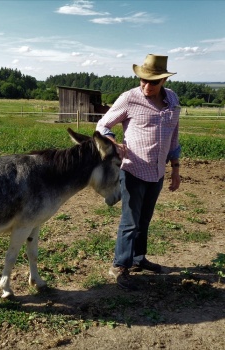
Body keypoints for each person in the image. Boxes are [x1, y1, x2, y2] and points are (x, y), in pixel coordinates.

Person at [96, 54, 181, 290]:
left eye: (153, 82)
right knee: (130, 221)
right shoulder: (129, 98)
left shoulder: (172, 100)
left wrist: (175, 168)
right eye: (143, 80)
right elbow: (103, 124)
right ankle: (119, 265)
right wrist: (112, 141)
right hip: (133, 169)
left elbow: (174, 137)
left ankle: (137, 258)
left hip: (158, 172)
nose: (146, 86)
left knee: (145, 219)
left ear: (163, 81)